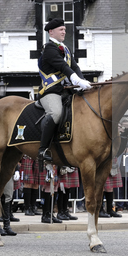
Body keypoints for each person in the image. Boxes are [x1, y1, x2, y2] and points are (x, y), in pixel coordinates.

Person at [37, 17, 91, 163]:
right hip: (50, 91)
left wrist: (81, 81)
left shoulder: (65, 49)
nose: (64, 32)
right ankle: (43, 150)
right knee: (56, 113)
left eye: (65, 30)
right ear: (51, 32)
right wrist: (76, 80)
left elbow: (75, 67)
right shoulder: (48, 48)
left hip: (66, 91)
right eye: (61, 29)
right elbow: (63, 66)